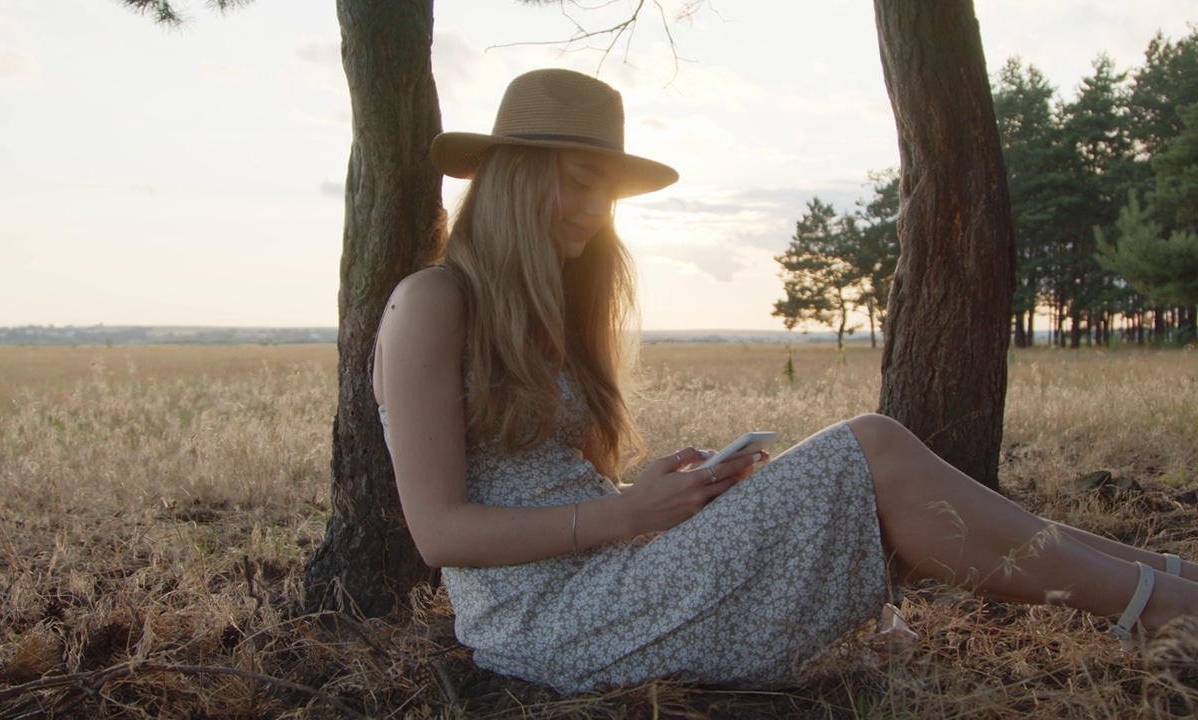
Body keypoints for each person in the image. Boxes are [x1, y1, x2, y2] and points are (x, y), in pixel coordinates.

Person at [371, 68, 1198, 694]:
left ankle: (1166, 578)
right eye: (578, 181)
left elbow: (544, 493)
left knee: (870, 471)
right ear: (514, 177)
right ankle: (1155, 603)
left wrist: (668, 497)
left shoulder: (547, 312)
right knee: (869, 448)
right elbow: (440, 533)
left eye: (608, 191)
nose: (595, 209)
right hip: (548, 626)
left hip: (608, 579)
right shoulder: (432, 302)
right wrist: (629, 511)